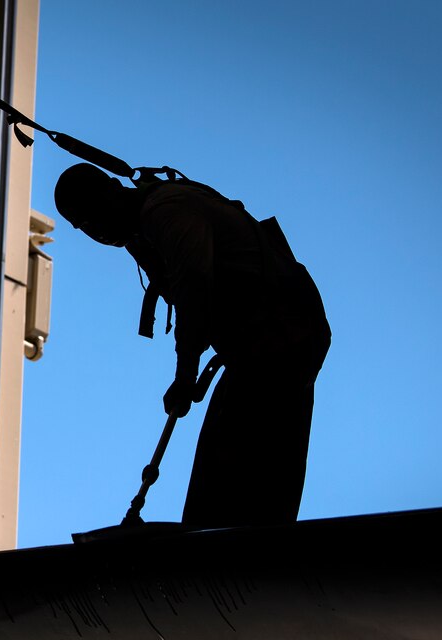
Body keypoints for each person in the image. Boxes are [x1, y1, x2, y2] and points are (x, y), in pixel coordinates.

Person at [54, 163, 331, 527]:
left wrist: (186, 376)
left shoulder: (166, 211)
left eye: (90, 219)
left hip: (281, 339)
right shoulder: (141, 227)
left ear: (110, 191)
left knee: (240, 461)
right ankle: (237, 538)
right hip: (264, 346)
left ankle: (249, 547)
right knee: (232, 457)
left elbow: (193, 287)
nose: (94, 232)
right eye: (83, 227)